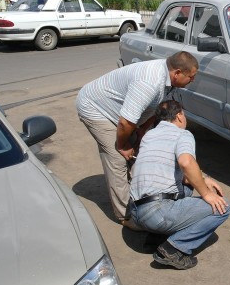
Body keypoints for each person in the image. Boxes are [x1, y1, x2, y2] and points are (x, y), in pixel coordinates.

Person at [75, 51, 199, 227]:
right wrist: (122, 145)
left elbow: (154, 106)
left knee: (138, 151)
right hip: (96, 108)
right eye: (191, 77)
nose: (192, 81)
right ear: (177, 73)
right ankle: (126, 215)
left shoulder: (167, 76)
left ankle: (140, 198)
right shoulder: (149, 82)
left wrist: (141, 131)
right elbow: (125, 123)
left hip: (122, 112)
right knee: (117, 158)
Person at [129, 100, 230, 270]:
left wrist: (203, 178)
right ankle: (172, 249)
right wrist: (206, 193)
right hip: (157, 212)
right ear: (179, 116)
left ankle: (155, 238)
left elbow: (174, 172)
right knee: (223, 208)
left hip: (135, 211)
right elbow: (186, 162)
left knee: (187, 187)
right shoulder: (182, 134)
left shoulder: (149, 135)